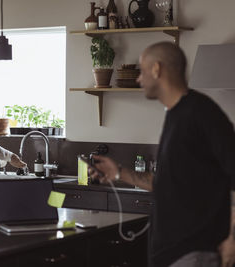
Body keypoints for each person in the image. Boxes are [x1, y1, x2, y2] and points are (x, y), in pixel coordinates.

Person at [89, 42, 235, 267]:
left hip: (194, 252)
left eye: (142, 70)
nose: (139, 79)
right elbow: (169, 183)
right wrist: (119, 173)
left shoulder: (202, 114)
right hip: (170, 253)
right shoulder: (174, 116)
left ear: (157, 69)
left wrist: (232, 238)